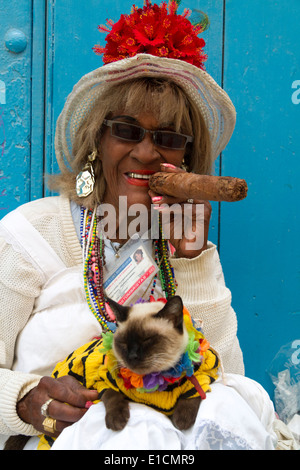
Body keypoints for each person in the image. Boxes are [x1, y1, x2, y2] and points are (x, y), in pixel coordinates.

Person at [0, 1, 279, 450]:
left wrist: (192, 262)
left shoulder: (181, 245)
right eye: (127, 131)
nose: (147, 154)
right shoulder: (30, 233)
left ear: (186, 159)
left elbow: (226, 388)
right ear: (97, 140)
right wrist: (25, 400)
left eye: (168, 138)